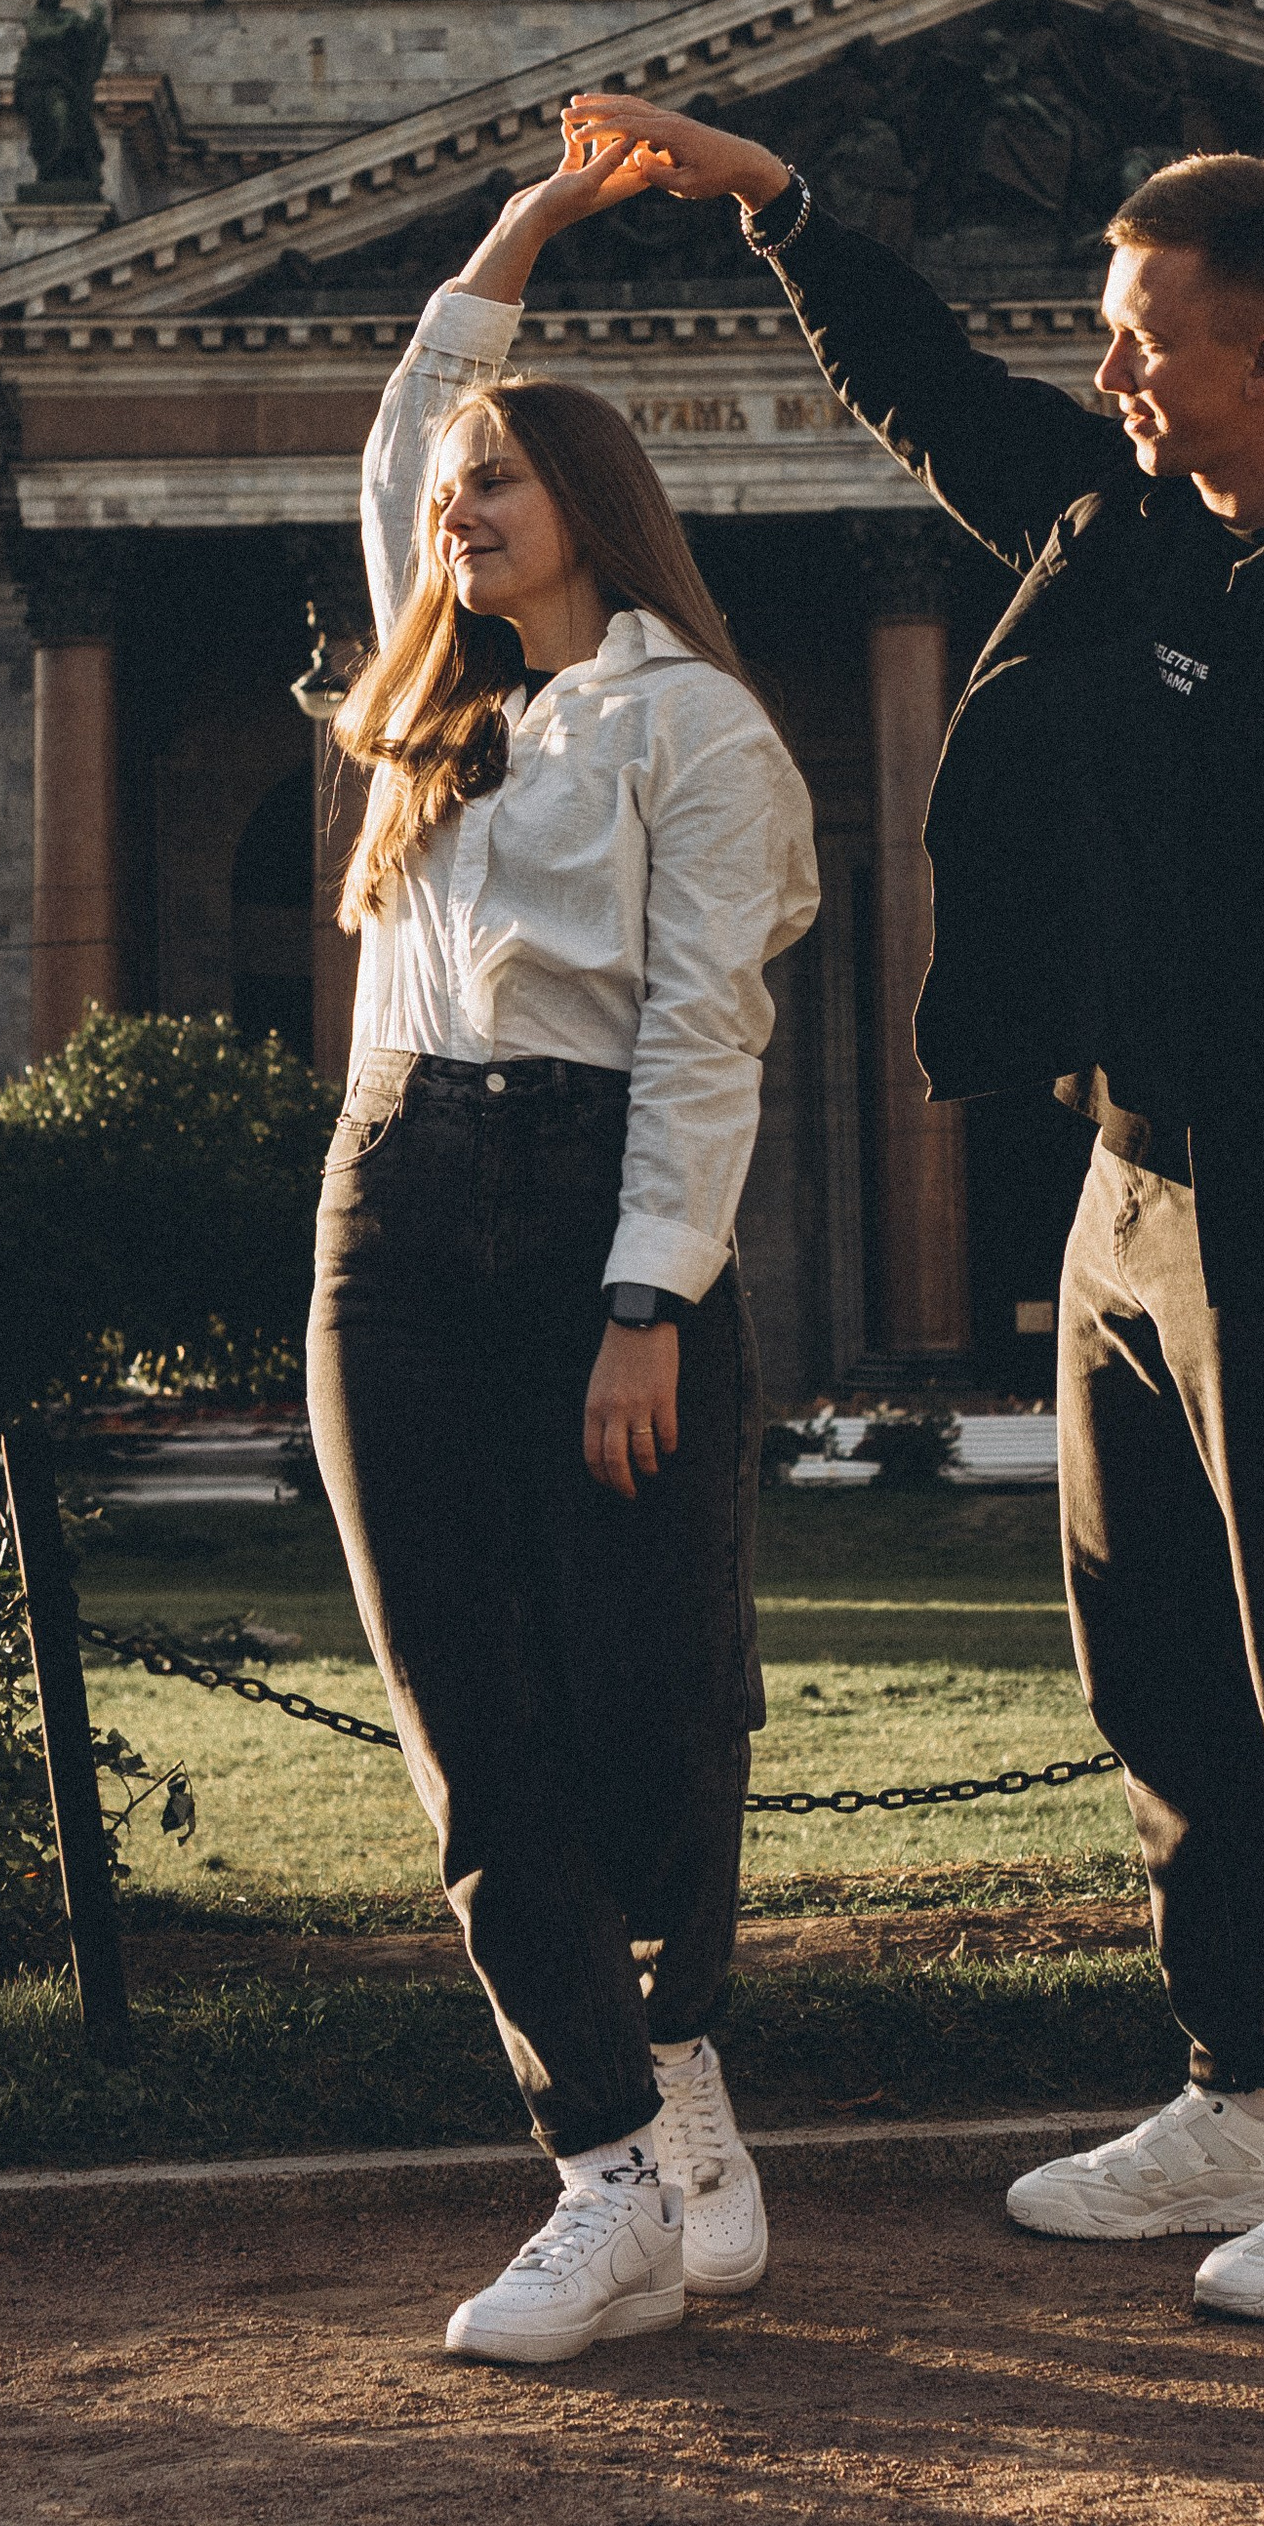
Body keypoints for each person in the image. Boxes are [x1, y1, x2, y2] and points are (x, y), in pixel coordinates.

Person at [567, 94, 1264, 2326]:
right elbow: (929, 394)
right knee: (1161, 1681)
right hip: (1128, 1183)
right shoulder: (1124, 522)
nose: (1106, 371)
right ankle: (1251, 2097)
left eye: (1139, 339)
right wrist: (783, 209)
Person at [310, 117, 820, 2365]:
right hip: (389, 1202)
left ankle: (684, 2043)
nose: (454, 503)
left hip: (595, 1205)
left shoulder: (695, 730)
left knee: (657, 1694)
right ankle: (601, 2159)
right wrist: (531, 220)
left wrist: (650, 1303)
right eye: (449, 493)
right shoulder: (424, 709)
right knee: (460, 1705)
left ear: (589, 509)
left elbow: (706, 1035)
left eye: (499, 483)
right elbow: (414, 408)